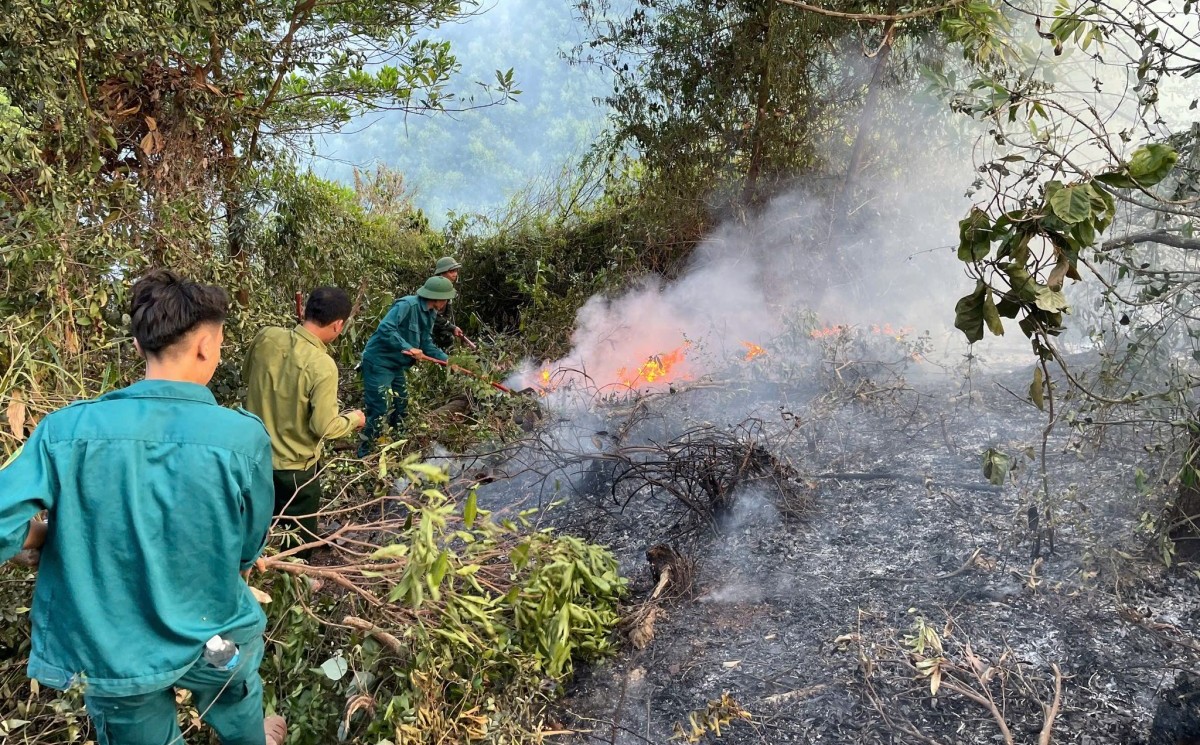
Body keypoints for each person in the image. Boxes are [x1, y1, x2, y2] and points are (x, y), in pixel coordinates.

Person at [0, 269, 286, 745]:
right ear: (205, 347)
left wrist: (37, 537)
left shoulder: (65, 431)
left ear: (139, 347)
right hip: (213, 638)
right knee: (233, 692)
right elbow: (247, 544)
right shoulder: (243, 437)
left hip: (116, 652)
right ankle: (252, 735)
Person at [243, 286, 365, 558]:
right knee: (298, 532)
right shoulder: (322, 365)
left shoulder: (266, 337)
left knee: (258, 523)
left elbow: (246, 376)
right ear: (338, 325)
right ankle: (298, 581)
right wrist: (353, 419)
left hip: (253, 456)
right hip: (295, 470)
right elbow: (324, 427)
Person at [357, 275, 456, 456]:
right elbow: (385, 328)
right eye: (446, 299)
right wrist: (408, 347)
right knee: (379, 409)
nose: (446, 302)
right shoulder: (407, 305)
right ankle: (364, 453)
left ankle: (398, 446)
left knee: (401, 405)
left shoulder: (431, 313)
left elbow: (426, 342)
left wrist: (447, 360)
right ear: (437, 297)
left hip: (397, 366)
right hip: (379, 362)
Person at [430, 256, 468, 349]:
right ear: (441, 274)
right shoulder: (434, 288)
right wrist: (451, 327)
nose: (455, 274)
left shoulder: (449, 288)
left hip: (440, 326)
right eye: (451, 271)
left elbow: (447, 314)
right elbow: (431, 314)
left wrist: (451, 328)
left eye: (456, 271)